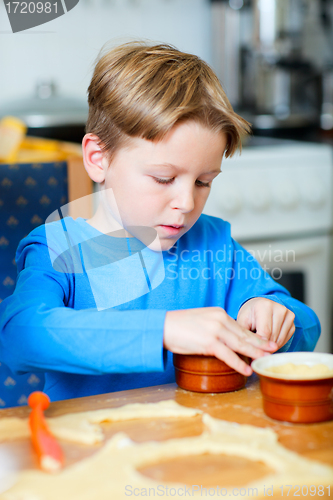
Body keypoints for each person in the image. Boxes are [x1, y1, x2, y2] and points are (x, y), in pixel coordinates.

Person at [0, 42, 320, 402]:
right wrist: (164, 331)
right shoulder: (58, 248)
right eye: (164, 179)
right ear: (97, 158)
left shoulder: (214, 244)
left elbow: (307, 323)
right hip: (91, 450)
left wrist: (276, 317)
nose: (186, 203)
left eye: (204, 182)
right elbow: (20, 335)